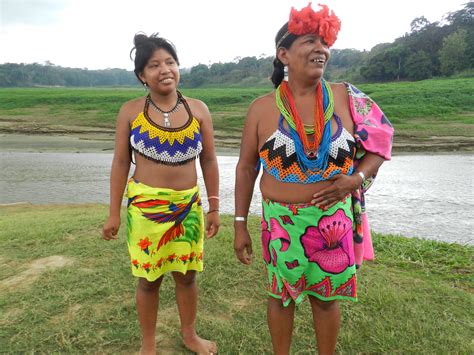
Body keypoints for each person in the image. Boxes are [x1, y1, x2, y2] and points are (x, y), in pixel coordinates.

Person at [234, 3, 394, 354]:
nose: (320, 49)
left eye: (324, 42)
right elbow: (246, 168)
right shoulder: (262, 108)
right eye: (309, 41)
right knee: (281, 297)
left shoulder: (346, 97)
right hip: (280, 223)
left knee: (326, 300)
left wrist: (357, 178)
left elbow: (382, 140)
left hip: (331, 220)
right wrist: (240, 223)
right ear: (284, 54)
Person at [102, 33, 219, 355]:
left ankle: (190, 335)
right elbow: (120, 162)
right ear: (142, 75)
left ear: (178, 67)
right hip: (145, 209)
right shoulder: (130, 112)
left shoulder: (199, 110)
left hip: (188, 207)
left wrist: (214, 207)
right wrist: (113, 212)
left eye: (169, 62)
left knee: (186, 276)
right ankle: (148, 345)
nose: (164, 69)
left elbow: (208, 159)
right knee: (148, 280)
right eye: (154, 65)